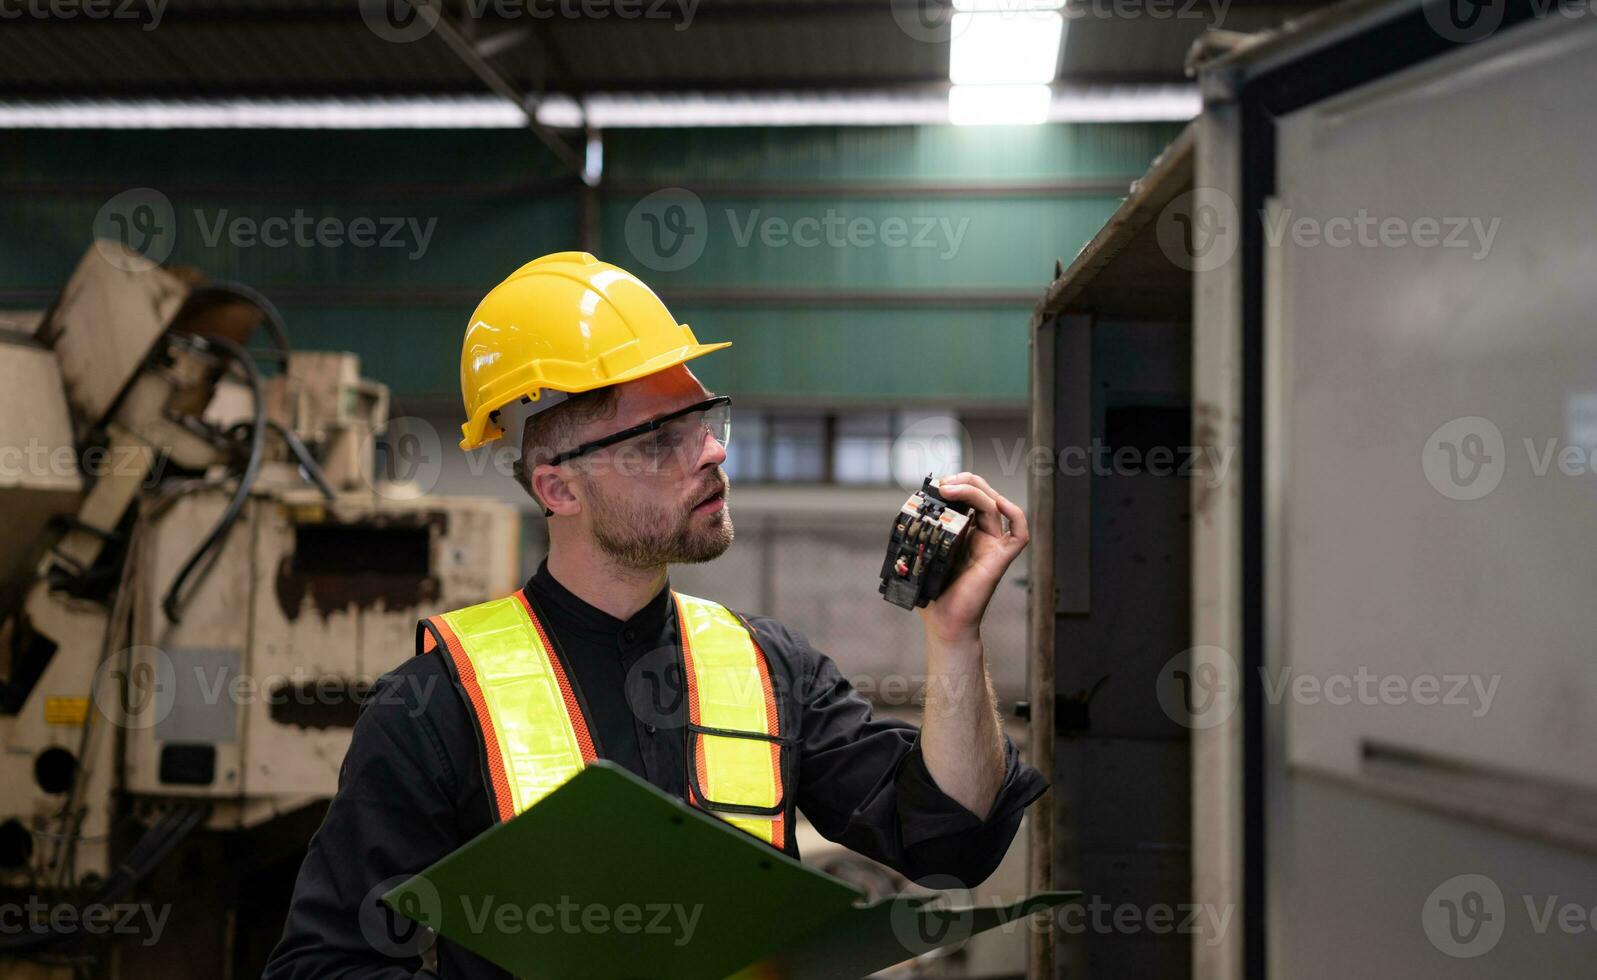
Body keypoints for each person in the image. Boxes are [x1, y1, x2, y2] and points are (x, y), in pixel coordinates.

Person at [264, 252, 1046, 978]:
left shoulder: (770, 669)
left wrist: (953, 635)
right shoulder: (437, 701)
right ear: (558, 489)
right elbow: (325, 963)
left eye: (704, 420)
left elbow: (952, 837)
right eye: (661, 437)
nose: (711, 451)